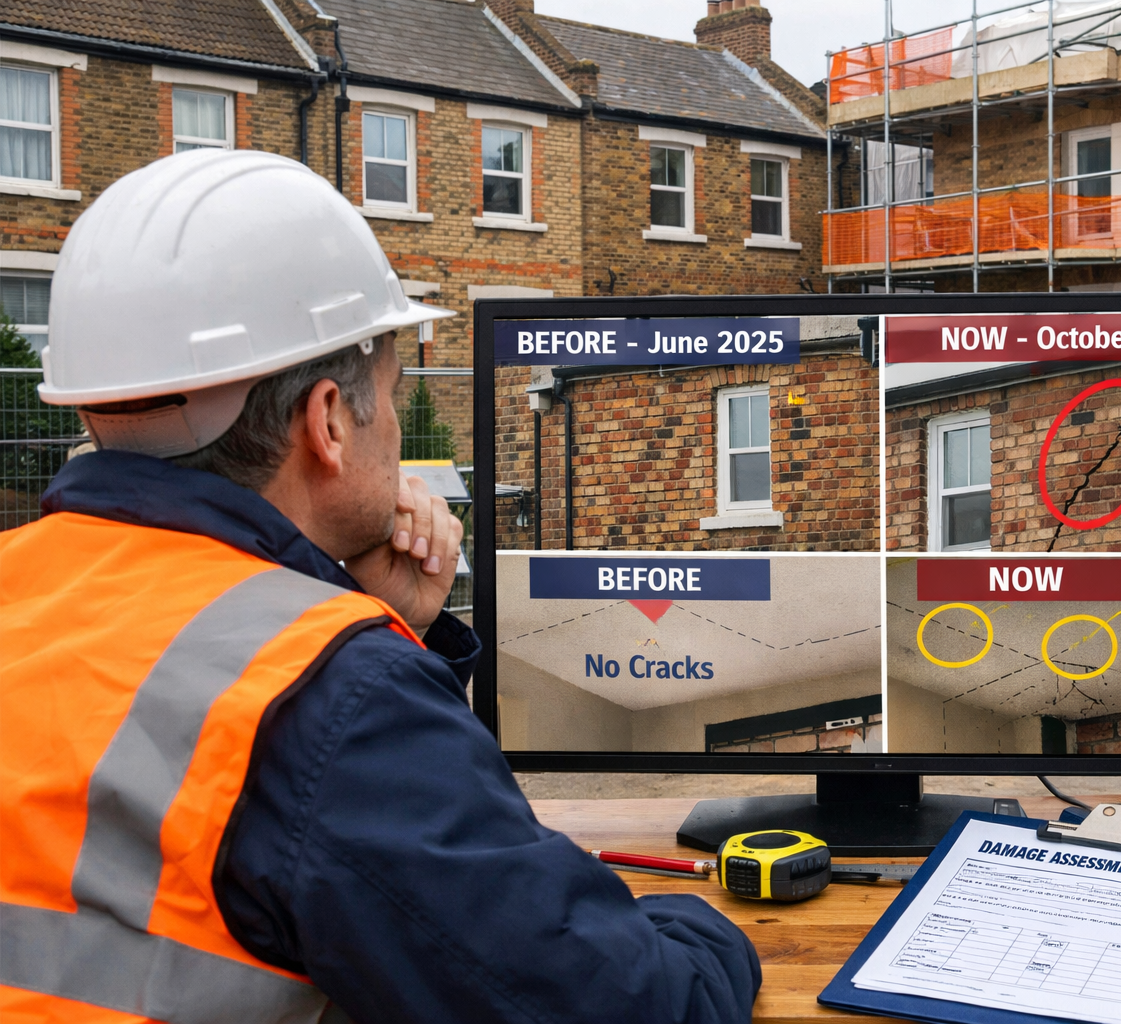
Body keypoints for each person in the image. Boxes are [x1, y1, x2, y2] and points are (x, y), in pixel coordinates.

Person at [0, 149, 760, 1023]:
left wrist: (362, 619)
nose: (397, 427)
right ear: (327, 420)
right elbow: (636, 1005)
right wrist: (704, 929)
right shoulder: (333, 701)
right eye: (394, 392)